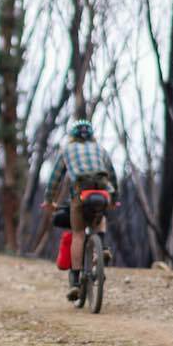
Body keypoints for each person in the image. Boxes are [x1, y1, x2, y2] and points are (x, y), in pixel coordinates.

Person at [43, 119, 118, 301]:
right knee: (101, 215)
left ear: (72, 136)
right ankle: (102, 246)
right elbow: (113, 175)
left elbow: (55, 178)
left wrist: (49, 201)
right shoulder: (100, 149)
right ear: (92, 135)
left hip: (81, 191)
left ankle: (76, 281)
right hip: (102, 191)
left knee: (77, 234)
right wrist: (114, 199)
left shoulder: (67, 150)